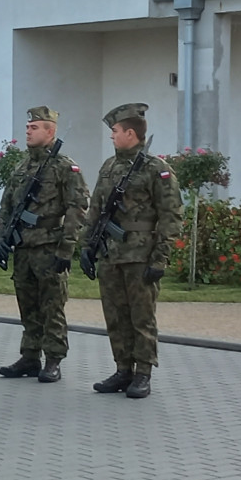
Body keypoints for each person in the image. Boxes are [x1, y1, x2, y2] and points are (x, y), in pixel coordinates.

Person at [81, 103, 182, 399]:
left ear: (130, 133)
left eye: (114, 131)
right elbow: (96, 210)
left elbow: (171, 215)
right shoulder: (109, 167)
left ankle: (143, 373)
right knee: (115, 315)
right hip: (110, 255)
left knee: (142, 317)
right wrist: (87, 247)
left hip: (140, 255)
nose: (111, 136)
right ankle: (123, 368)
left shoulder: (157, 170)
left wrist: (161, 257)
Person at [0, 107, 89, 382]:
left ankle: (53, 359)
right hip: (23, 247)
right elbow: (7, 206)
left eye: (34, 127)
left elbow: (77, 208)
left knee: (52, 306)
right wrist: (2, 238)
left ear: (50, 132)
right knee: (28, 305)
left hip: (49, 246)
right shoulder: (22, 166)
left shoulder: (64, 167)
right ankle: (30, 356)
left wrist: (66, 248)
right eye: (28, 126)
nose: (28, 130)